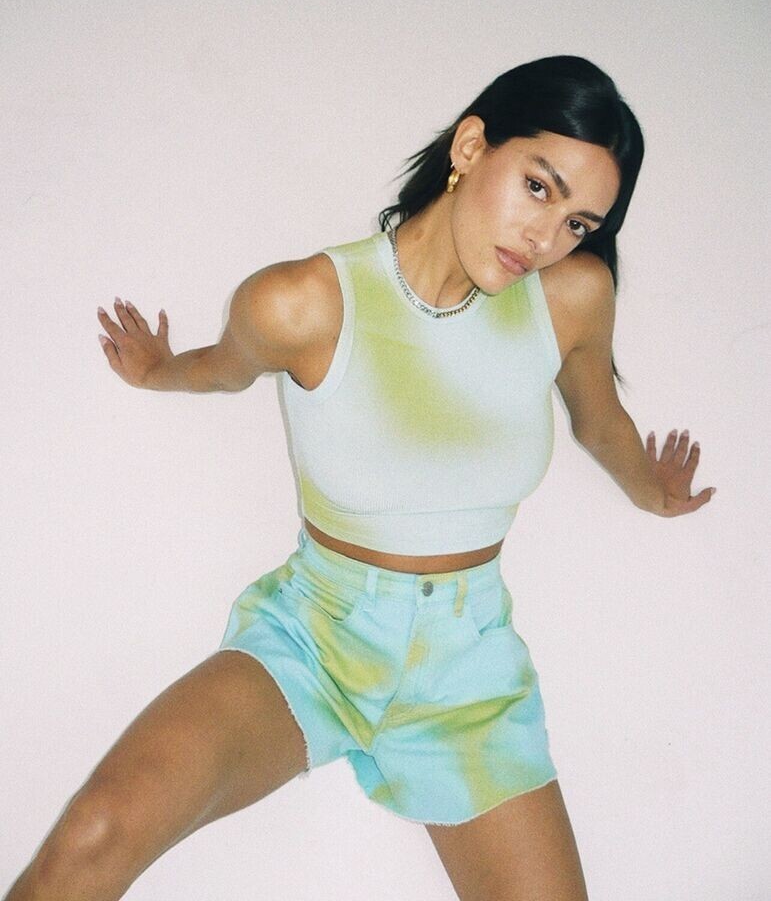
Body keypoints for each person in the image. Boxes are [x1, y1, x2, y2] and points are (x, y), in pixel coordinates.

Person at [5, 55, 715, 901]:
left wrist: (652, 491)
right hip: (318, 638)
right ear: (470, 147)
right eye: (537, 187)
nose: (545, 238)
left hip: (468, 673)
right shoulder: (303, 302)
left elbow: (599, 419)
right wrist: (158, 369)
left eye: (577, 222)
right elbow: (224, 370)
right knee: (92, 835)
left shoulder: (569, 298)